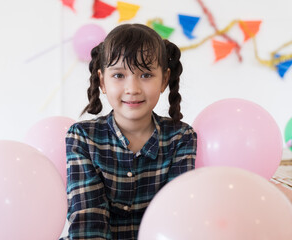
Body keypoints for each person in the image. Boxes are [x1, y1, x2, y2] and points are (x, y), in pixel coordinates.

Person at [62, 23, 197, 240]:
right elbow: (88, 220)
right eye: (118, 75)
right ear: (102, 81)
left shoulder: (181, 138)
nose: (132, 88)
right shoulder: (82, 137)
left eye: (145, 75)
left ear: (164, 80)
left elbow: (177, 217)